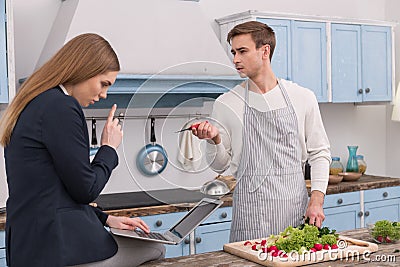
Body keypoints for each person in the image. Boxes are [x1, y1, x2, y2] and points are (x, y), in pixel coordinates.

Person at [0, 33, 165, 267]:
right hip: (56, 249)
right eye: (104, 84)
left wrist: (106, 218)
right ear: (83, 70)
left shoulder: (35, 102)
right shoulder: (62, 107)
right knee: (156, 248)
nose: (104, 95)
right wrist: (109, 147)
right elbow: (85, 190)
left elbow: (53, 190)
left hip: (29, 247)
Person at [192, 21, 331, 242]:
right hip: (249, 217)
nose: (235, 59)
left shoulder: (302, 97)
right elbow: (219, 165)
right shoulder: (226, 103)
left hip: (293, 214)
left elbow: (320, 153)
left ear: (264, 51)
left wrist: (316, 200)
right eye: (233, 52)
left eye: (242, 51)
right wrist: (214, 140)